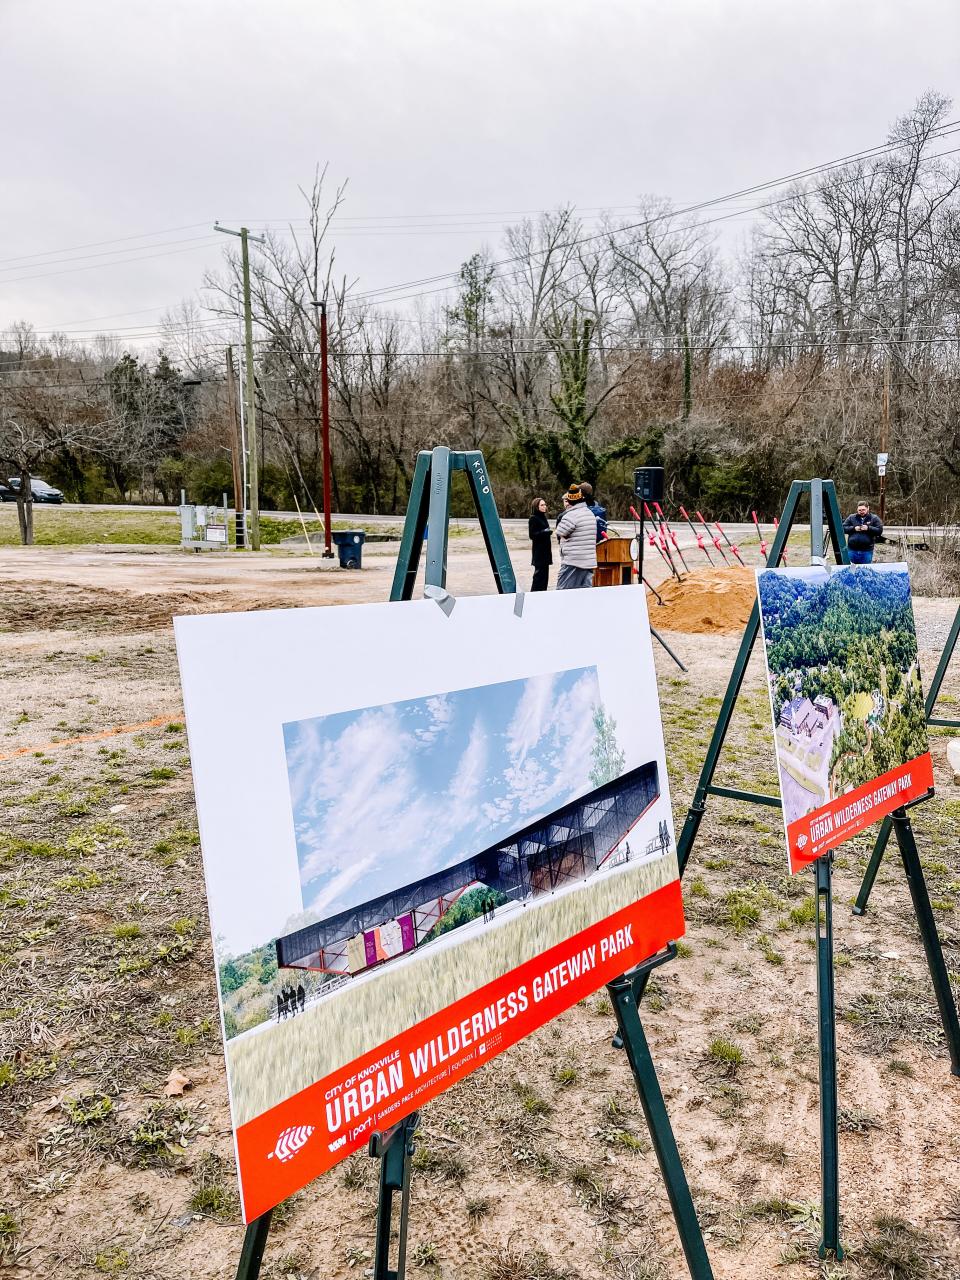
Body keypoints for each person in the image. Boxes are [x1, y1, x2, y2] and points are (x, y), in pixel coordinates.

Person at [555, 484, 598, 589]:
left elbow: (559, 532)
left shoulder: (571, 515)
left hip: (573, 562)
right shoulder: (589, 513)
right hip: (588, 562)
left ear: (569, 501)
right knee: (584, 596)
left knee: (562, 594)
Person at [528, 497, 553, 591]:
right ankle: (534, 594)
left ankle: (542, 593)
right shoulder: (533, 518)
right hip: (539, 552)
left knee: (545, 577)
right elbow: (532, 535)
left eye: (545, 504)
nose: (544, 506)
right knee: (539, 576)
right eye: (542, 505)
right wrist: (544, 532)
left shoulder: (543, 517)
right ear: (536, 506)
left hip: (546, 551)